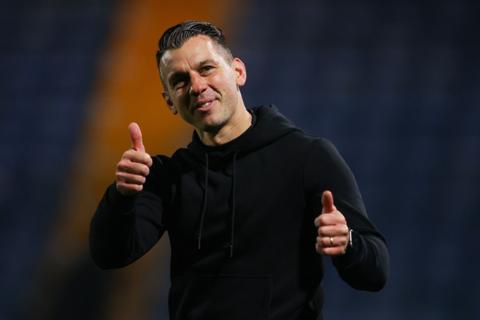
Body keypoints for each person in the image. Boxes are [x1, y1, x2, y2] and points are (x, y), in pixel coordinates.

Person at [90, 20, 389, 320]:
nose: (197, 86)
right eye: (180, 80)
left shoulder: (307, 157)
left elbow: (375, 272)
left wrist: (348, 242)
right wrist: (122, 197)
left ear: (238, 71)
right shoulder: (169, 177)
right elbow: (110, 255)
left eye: (206, 68)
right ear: (170, 101)